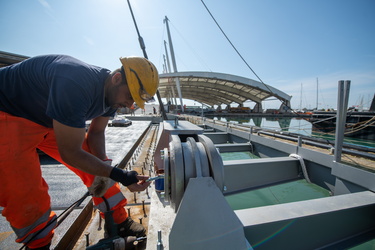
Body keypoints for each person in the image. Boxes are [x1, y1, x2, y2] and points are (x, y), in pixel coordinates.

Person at [0, 54, 159, 249]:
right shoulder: (75, 82)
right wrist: (119, 174)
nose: (129, 105)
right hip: (7, 112)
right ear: (117, 78)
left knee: (97, 166)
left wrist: (104, 170)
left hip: (45, 119)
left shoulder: (111, 95)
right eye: (129, 97)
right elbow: (71, 153)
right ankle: (39, 245)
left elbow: (96, 133)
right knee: (23, 190)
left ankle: (118, 222)